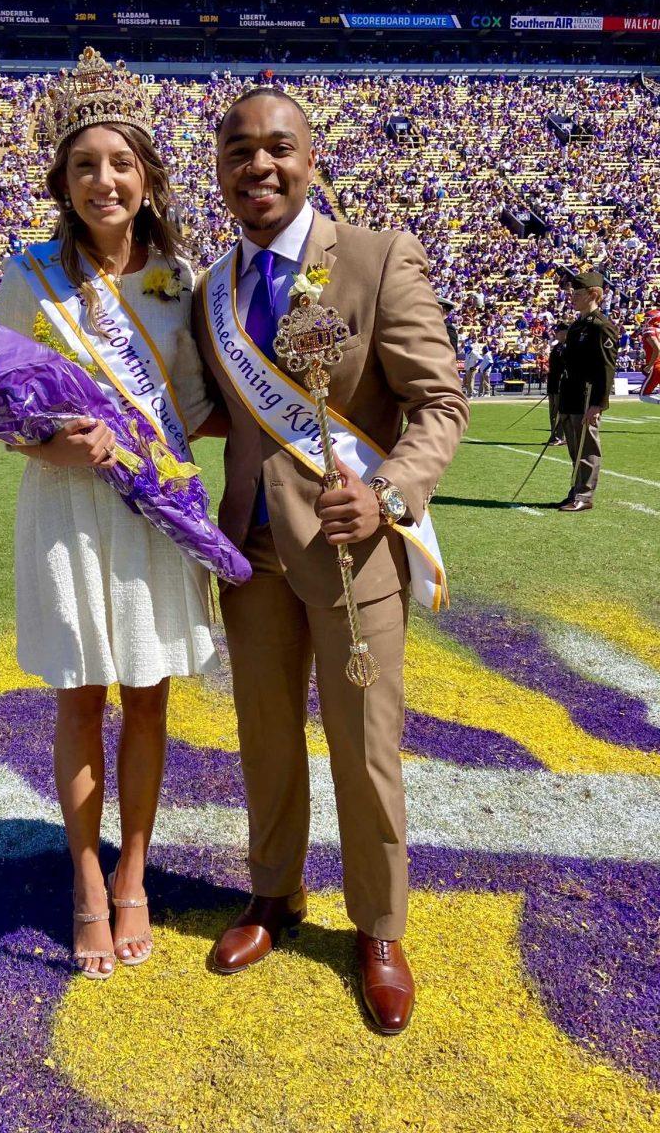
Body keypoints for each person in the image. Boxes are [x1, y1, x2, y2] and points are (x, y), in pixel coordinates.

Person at [194, 88, 468, 1034]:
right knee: (265, 741)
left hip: (358, 561)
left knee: (366, 751)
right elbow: (219, 417)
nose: (258, 167)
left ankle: (380, 928)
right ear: (220, 167)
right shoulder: (210, 289)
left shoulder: (377, 258)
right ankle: (274, 895)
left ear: (312, 159)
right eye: (239, 152)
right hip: (252, 558)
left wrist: (390, 491)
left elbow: (440, 404)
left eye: (278, 149)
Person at [0, 48, 221, 981]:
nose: (104, 181)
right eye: (85, 166)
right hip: (67, 510)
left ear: (147, 175)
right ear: (64, 180)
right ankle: (86, 879)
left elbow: (204, 407)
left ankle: (136, 871)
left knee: (152, 695)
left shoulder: (178, 278)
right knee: (81, 696)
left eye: (120, 163)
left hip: (151, 514)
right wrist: (61, 447)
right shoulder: (29, 274)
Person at [557, 271, 618, 512]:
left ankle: (585, 495)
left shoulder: (601, 327)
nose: (572, 298)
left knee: (587, 448)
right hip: (571, 396)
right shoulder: (577, 326)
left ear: (593, 294)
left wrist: (598, 404)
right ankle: (575, 491)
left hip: (586, 397)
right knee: (575, 449)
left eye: (578, 294)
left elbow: (606, 368)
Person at [546, 321, 569, 444]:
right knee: (553, 412)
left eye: (559, 332)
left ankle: (559, 437)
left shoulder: (568, 347)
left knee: (559, 412)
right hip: (553, 383)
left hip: (560, 384)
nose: (556, 334)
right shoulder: (557, 347)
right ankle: (554, 436)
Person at [639, 309, 660, 404]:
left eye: (647, 319)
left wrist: (649, 365)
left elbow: (657, 349)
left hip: (657, 366)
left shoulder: (649, 330)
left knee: (643, 396)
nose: (644, 321)